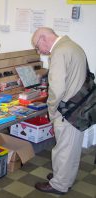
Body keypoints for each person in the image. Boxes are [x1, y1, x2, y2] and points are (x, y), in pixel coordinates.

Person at [32, 27, 86, 195]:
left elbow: (56, 88)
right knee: (72, 148)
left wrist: (52, 110)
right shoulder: (72, 46)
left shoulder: (59, 52)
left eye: (37, 46)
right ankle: (65, 177)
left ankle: (59, 184)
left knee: (63, 149)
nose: (39, 51)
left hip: (68, 111)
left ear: (43, 38)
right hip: (80, 106)